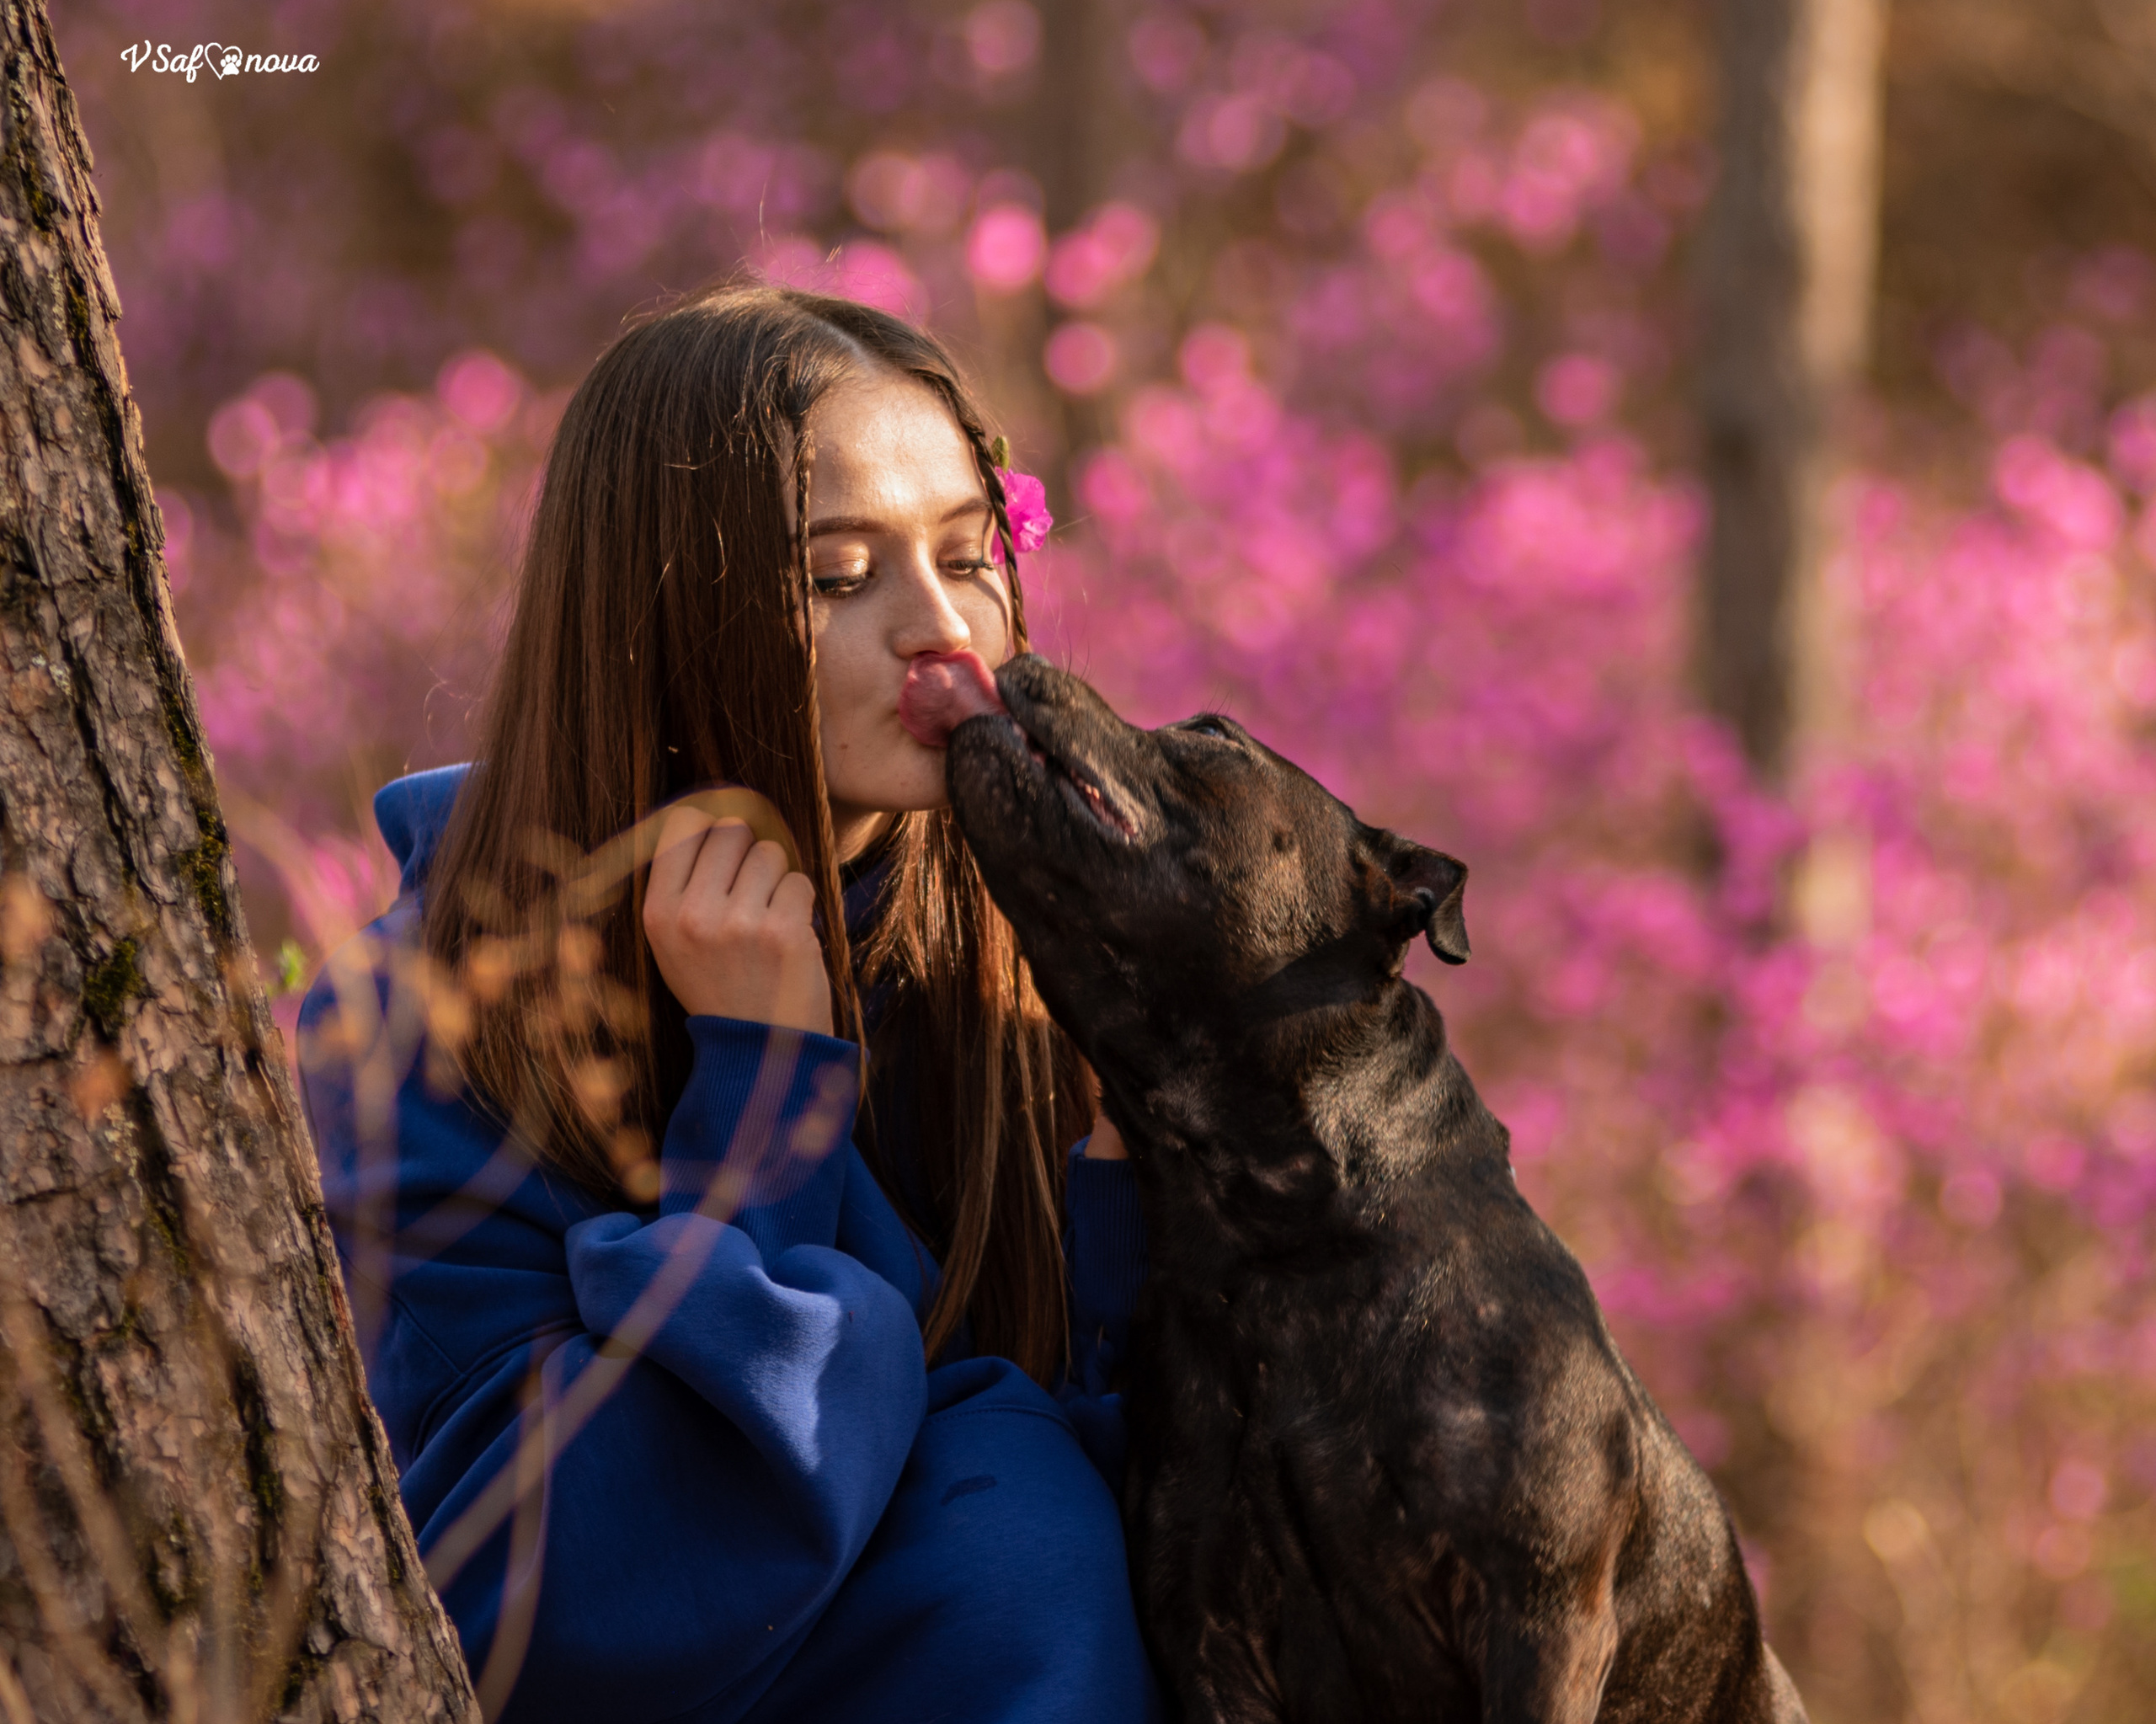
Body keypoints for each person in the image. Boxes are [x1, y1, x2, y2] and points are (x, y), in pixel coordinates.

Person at [296, 284, 1163, 1722]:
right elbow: (560, 1601)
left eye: (969, 554)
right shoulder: (434, 1019)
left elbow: (1167, 1504)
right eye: (839, 578)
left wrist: (1135, 1185)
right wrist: (765, 1095)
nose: (944, 632)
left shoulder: (1017, 952)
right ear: (663, 607)